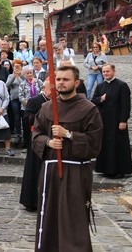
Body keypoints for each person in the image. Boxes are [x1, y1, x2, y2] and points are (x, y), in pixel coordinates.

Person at [33, 65, 103, 251]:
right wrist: (48, 142)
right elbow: (35, 136)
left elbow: (95, 143)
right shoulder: (47, 108)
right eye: (58, 79)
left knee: (73, 218)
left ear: (76, 83)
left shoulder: (89, 109)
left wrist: (69, 135)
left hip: (75, 172)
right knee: (49, 217)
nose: (61, 83)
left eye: (66, 80)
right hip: (51, 172)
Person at [92, 64, 132, 178]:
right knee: (105, 145)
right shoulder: (100, 86)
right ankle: (105, 169)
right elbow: (93, 100)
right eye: (104, 72)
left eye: (107, 71)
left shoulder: (122, 85)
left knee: (117, 145)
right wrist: (101, 99)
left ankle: (119, 170)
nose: (105, 73)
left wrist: (123, 120)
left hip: (117, 120)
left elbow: (126, 105)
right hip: (104, 120)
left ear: (113, 71)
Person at [19, 79, 51, 212]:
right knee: (34, 171)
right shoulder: (35, 100)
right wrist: (42, 115)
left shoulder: (57, 102)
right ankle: (31, 201)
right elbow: (27, 118)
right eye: (51, 89)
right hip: (36, 140)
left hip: (49, 141)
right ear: (44, 88)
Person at [6, 60, 24, 144]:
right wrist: (14, 76)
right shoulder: (10, 76)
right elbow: (7, 85)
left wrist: (18, 77)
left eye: (18, 66)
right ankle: (18, 134)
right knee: (16, 116)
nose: (16, 68)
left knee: (24, 117)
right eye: (15, 66)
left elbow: (24, 84)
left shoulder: (24, 75)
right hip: (14, 99)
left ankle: (25, 134)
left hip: (23, 99)